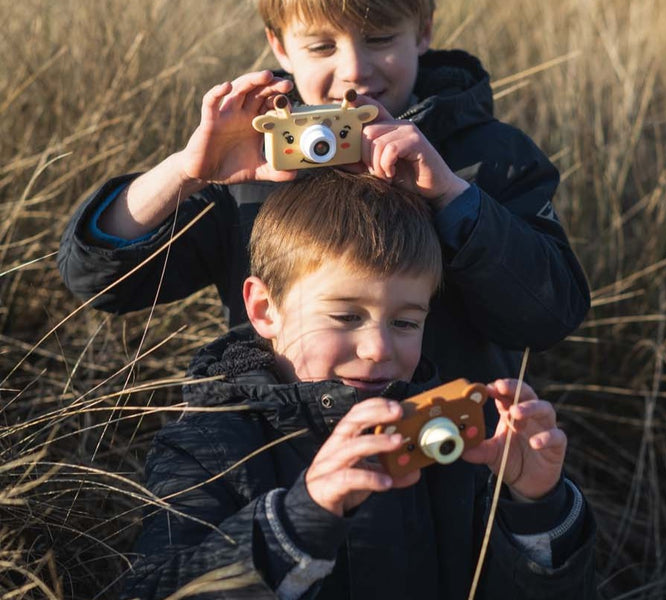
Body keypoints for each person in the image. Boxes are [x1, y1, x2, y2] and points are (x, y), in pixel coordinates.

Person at [57, 0, 590, 386]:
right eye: (320, 46)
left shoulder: (488, 158)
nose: (354, 70)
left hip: (440, 456)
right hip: (278, 455)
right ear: (280, 46)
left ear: (424, 30)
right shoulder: (249, 161)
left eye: (380, 38)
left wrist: (451, 195)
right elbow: (97, 282)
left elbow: (550, 316)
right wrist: (187, 171)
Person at [121, 170, 596, 600]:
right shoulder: (205, 442)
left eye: (406, 323)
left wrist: (535, 508)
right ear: (265, 309)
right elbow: (153, 589)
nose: (377, 348)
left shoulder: (463, 443)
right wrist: (300, 520)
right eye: (346, 316)